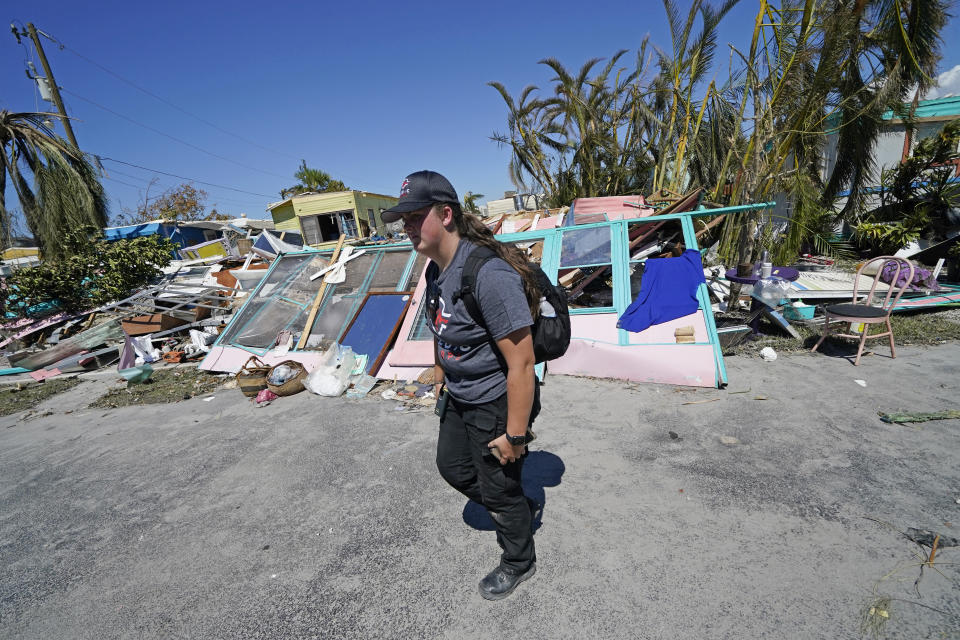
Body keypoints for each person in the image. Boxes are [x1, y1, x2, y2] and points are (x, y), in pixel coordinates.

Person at [381, 170, 542, 600]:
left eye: (414, 217)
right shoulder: (436, 271)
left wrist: (515, 434)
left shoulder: (488, 274)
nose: (406, 228)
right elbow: (441, 327)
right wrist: (440, 372)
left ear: (446, 214)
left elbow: (523, 364)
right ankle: (517, 509)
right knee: (452, 467)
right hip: (460, 394)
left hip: (495, 399)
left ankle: (518, 560)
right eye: (403, 220)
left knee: (499, 486)